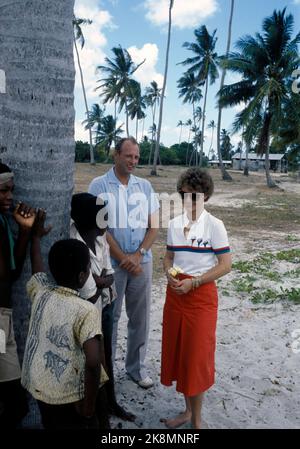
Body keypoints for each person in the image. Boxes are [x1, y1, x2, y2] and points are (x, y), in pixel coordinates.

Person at [160, 168, 232, 429]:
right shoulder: (174, 224)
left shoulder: (215, 225)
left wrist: (196, 282)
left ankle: (196, 423)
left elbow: (225, 265)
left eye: (195, 196)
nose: (190, 201)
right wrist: (169, 273)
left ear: (206, 197)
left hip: (201, 296)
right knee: (180, 353)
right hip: (176, 294)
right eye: (185, 195)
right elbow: (169, 258)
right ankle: (187, 412)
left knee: (196, 358)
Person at [21, 210, 105, 429]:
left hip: (39, 387)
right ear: (82, 275)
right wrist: (88, 407)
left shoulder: (41, 293)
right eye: (88, 268)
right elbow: (94, 362)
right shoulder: (86, 310)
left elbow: (37, 268)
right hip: (70, 396)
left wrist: (36, 238)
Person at [88, 137, 159, 388]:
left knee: (140, 318)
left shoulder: (145, 187)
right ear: (116, 155)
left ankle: (135, 368)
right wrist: (122, 258)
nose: (133, 161)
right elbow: (100, 228)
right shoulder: (98, 185)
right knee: (111, 317)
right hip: (111, 264)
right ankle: (107, 372)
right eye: (129, 156)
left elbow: (154, 226)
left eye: (137, 157)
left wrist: (138, 255)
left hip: (142, 262)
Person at [70, 192, 135, 421]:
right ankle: (99, 409)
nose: (105, 222)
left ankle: (111, 403)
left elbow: (107, 275)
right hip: (88, 311)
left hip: (106, 303)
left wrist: (100, 282)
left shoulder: (101, 237)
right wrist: (100, 282)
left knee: (106, 352)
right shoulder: (74, 241)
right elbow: (91, 287)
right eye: (101, 217)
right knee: (94, 361)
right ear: (88, 218)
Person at [0, 162, 36, 428]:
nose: (9, 197)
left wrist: (24, 232)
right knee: (16, 404)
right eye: (3, 191)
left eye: (10, 191)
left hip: (4, 320)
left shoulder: (2, 221)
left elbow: (10, 275)